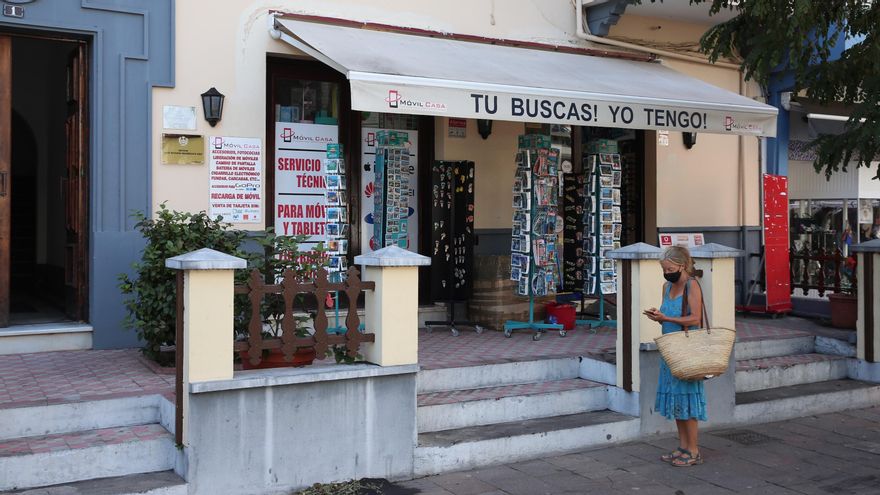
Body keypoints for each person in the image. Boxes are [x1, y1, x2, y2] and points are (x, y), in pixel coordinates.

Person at [643, 246, 706, 467]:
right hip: (669, 350)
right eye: (664, 269)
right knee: (676, 399)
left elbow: (695, 319)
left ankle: (694, 450)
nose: (667, 272)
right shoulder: (666, 286)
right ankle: (682, 447)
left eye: (669, 268)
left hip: (685, 350)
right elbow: (668, 317)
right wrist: (658, 317)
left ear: (681, 266)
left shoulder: (692, 285)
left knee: (687, 398)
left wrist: (667, 318)